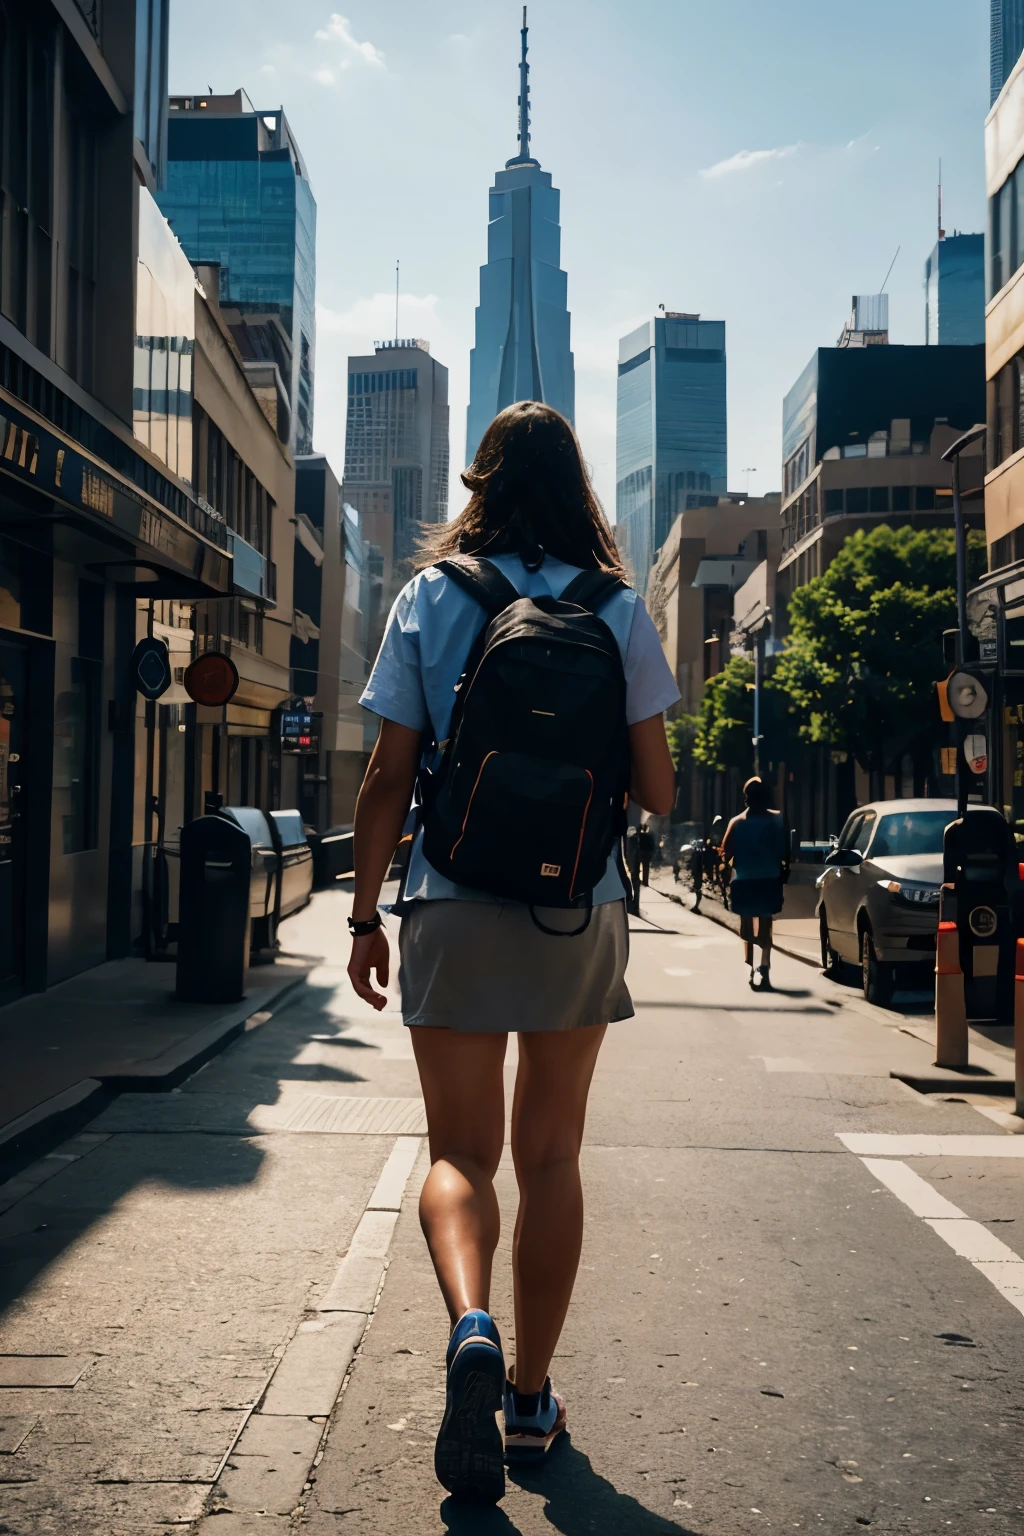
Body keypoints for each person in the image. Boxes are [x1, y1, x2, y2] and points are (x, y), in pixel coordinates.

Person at [346, 400, 679, 1504]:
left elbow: (386, 778)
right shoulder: (620, 608)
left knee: (459, 1156)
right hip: (577, 911)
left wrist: (361, 916)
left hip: (449, 896)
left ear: (479, 484)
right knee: (551, 1158)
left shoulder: (431, 597)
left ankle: (470, 1324)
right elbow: (661, 790)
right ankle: (531, 1399)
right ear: (578, 487)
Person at [721, 776, 790, 989]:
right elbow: (786, 850)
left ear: (746, 798)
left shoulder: (737, 822)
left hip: (744, 880)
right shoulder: (778, 820)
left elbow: (726, 852)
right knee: (766, 923)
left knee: (746, 926)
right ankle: (765, 964)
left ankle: (748, 965)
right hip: (770, 879)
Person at [637, 821, 655, 886]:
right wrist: (652, 853)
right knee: (646, 868)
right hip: (647, 853)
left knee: (637, 867)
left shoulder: (639, 836)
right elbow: (652, 845)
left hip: (641, 853)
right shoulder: (650, 836)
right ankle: (645, 882)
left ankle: (637, 880)